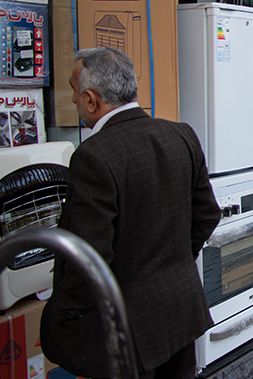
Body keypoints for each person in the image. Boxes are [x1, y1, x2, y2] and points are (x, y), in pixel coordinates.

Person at [41, 47, 221, 379]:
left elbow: (89, 257)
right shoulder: (181, 134)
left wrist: (63, 314)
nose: (71, 100)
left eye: (73, 90)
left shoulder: (93, 156)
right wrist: (173, 260)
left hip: (130, 327)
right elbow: (208, 215)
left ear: (92, 100)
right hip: (181, 308)